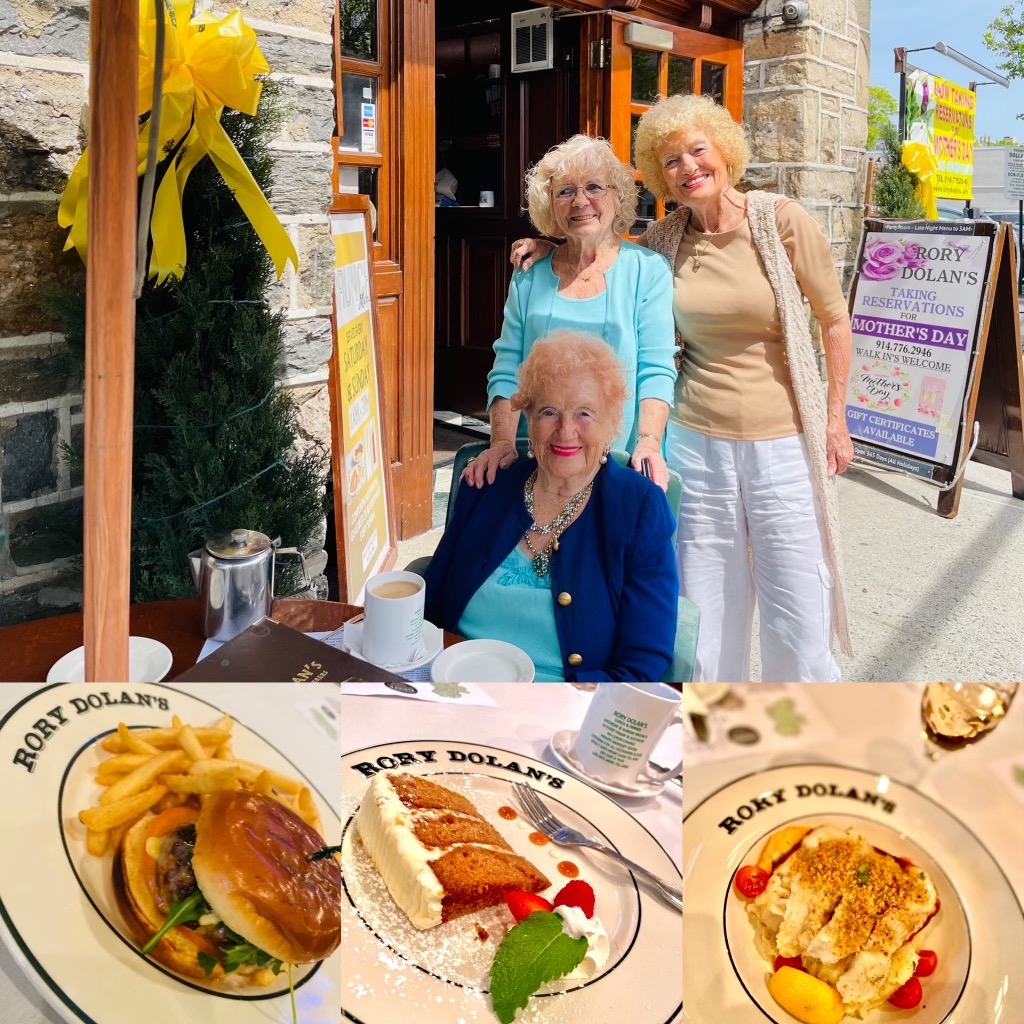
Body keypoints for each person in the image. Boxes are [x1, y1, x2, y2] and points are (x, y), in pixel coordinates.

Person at [514, 96, 854, 683]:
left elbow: (835, 321)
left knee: (798, 605)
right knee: (703, 607)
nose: (688, 166)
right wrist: (552, 246)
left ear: (724, 150)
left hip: (783, 441)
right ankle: (714, 741)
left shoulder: (780, 221)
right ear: (658, 173)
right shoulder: (665, 239)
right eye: (670, 159)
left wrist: (835, 417)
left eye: (698, 149)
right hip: (696, 441)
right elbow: (600, 249)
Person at [425, 331, 678, 682]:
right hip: (454, 687)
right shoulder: (488, 485)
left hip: (561, 712)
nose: (565, 430)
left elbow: (643, 662)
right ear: (527, 415)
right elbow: (430, 609)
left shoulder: (638, 509)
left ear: (611, 422)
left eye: (584, 413)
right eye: (548, 411)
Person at [463, 135, 677, 492]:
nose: (580, 201)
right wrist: (500, 443)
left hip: (619, 457)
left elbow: (656, 369)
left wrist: (649, 443)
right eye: (564, 192)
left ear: (618, 196)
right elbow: (508, 366)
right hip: (539, 457)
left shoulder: (647, 270)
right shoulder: (531, 271)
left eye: (594, 187)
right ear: (550, 205)